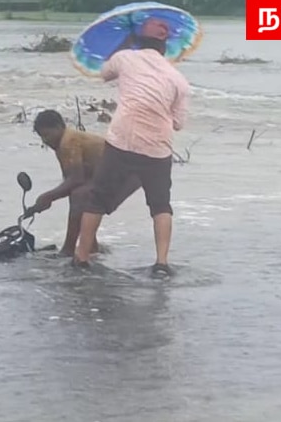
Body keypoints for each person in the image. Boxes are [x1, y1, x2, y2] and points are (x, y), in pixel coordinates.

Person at [74, 18, 190, 278]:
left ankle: (81, 258)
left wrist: (123, 44)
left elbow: (104, 73)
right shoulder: (178, 79)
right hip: (157, 147)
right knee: (160, 205)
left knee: (97, 198)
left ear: (138, 41)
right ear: (165, 47)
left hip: (122, 140)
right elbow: (179, 123)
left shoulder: (125, 58)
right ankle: (161, 263)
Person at [29, 109, 141, 257]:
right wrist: (50, 198)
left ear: (59, 127)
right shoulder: (62, 143)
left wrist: (48, 197)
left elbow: (76, 179)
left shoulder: (68, 141)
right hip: (121, 172)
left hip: (129, 173)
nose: (45, 141)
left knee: (79, 196)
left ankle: (69, 249)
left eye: (47, 135)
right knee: (79, 196)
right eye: (42, 137)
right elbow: (72, 180)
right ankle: (91, 245)